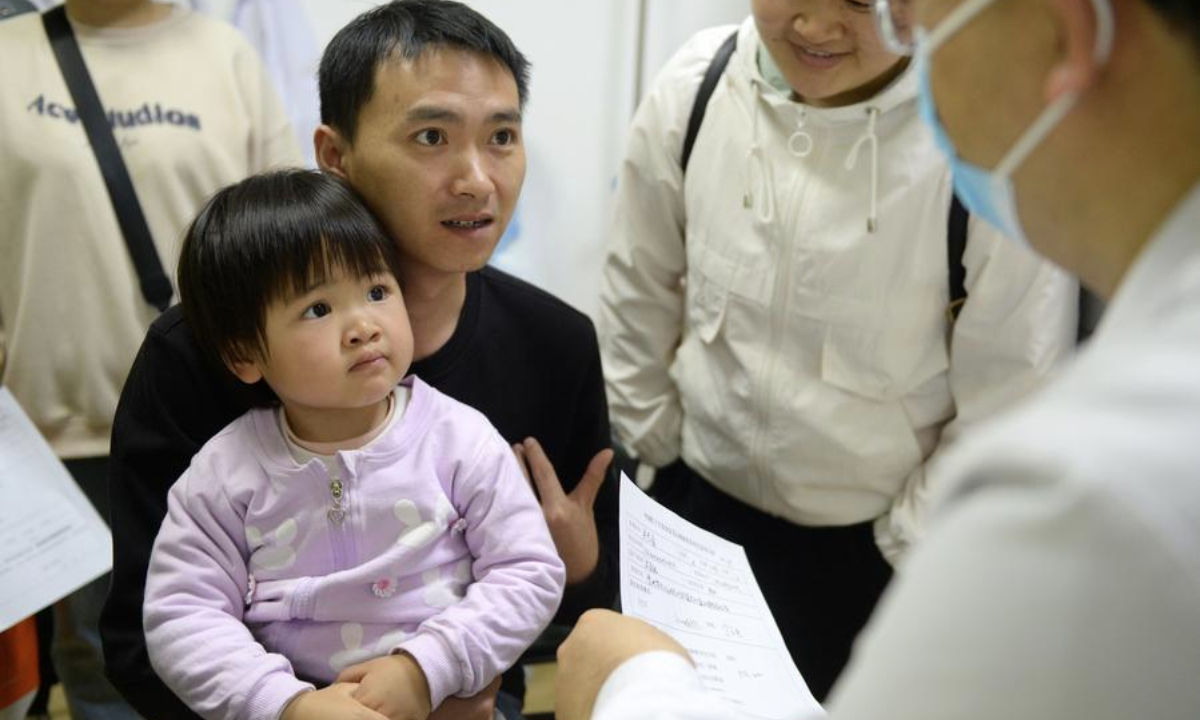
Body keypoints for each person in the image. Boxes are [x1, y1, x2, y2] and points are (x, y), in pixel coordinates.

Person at [556, 0, 1200, 718]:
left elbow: (1009, 388)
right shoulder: (701, 87)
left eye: (869, 5)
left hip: (870, 550)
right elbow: (636, 289)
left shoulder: (980, 162)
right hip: (696, 511)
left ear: (1071, 34)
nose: (818, 25)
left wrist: (895, 545)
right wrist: (658, 457)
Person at [99, 3, 618, 720]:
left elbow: (577, 599)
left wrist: (577, 568)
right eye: (432, 136)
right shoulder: (202, 351)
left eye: (502, 136)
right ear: (335, 155)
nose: (476, 179)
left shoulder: (553, 343)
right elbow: (143, 633)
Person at [143, 169, 565, 720]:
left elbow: (529, 571)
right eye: (318, 309)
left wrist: (426, 668)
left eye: (376, 290)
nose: (363, 325)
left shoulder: (458, 440)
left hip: (449, 700)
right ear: (245, 352)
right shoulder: (226, 472)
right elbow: (181, 615)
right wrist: (286, 705)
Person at [0, 2, 300, 720]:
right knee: (108, 671)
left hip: (225, 433)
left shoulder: (225, 56)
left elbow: (292, 242)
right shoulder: (8, 55)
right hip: (59, 443)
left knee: (251, 656)